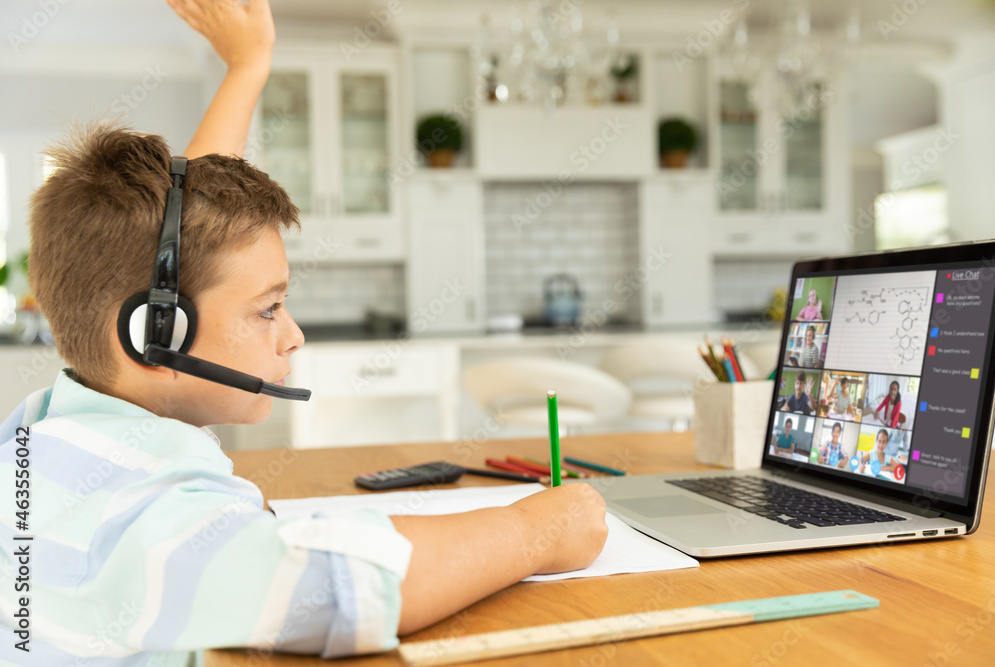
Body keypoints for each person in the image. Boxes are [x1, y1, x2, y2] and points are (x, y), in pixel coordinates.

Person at [0, 2, 608, 665]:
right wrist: (539, 528)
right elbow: (343, 590)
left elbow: (191, 246)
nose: (292, 336)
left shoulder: (48, 435)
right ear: (157, 333)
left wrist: (247, 66)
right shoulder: (137, 523)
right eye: (269, 308)